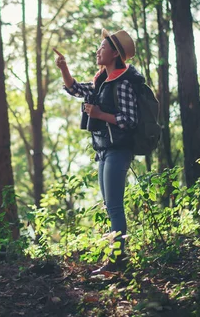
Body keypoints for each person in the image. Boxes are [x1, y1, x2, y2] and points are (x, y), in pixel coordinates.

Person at [54, 28, 145, 274]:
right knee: (109, 205)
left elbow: (129, 120)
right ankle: (115, 259)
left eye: (102, 48)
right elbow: (75, 90)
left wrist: (99, 114)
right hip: (104, 151)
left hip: (118, 150)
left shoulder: (123, 82)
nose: (98, 51)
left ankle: (117, 262)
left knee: (114, 206)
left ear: (114, 53)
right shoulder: (101, 80)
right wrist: (64, 69)